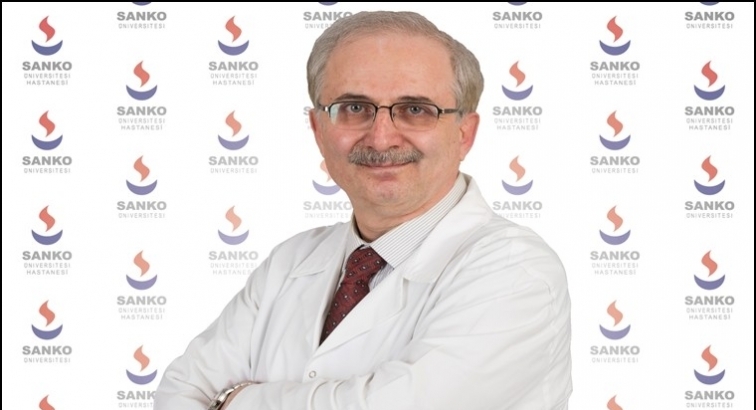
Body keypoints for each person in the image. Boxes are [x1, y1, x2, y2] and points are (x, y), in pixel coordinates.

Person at [154, 10, 571, 410]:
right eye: (354, 108)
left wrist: (233, 402)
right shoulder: (290, 262)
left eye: (415, 110)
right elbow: (180, 392)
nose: (381, 138)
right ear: (318, 130)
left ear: (464, 133)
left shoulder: (517, 272)